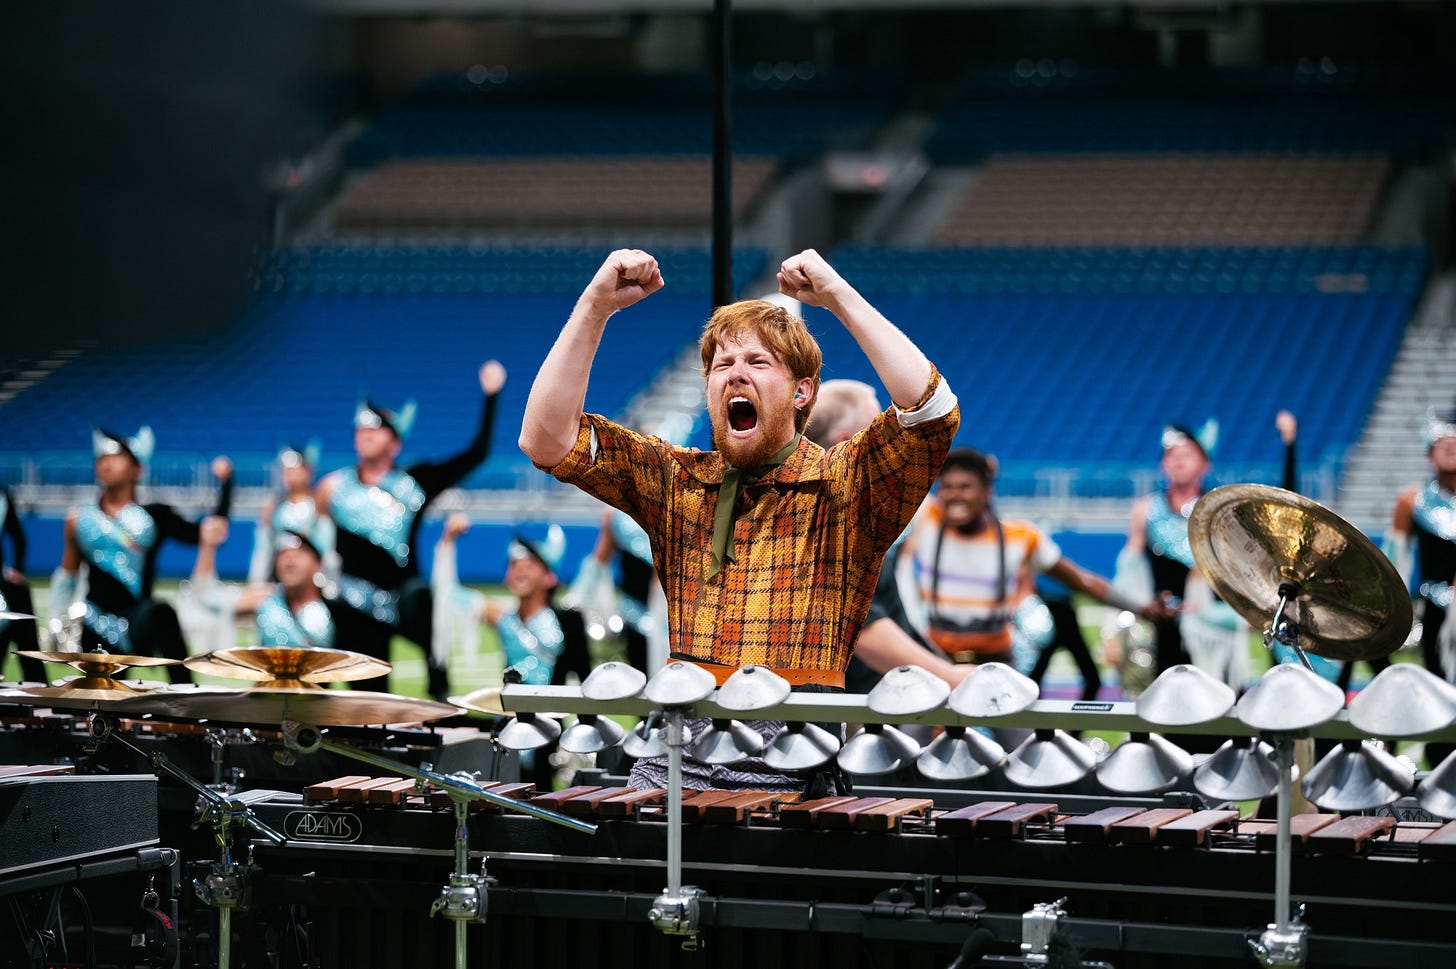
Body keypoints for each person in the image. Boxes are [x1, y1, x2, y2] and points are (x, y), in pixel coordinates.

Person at [519, 248, 959, 795]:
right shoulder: (677, 481)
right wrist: (593, 308)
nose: (735, 375)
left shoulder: (845, 486)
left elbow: (932, 411)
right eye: (722, 365)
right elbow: (546, 440)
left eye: (758, 362)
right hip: (673, 759)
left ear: (802, 391)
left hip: (793, 768)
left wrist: (838, 297)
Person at [315, 361, 506, 699]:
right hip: (354, 602)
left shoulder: (414, 482)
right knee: (369, 697)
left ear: (396, 444)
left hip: (406, 599)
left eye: (377, 429)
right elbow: (312, 542)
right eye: (360, 429)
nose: (365, 433)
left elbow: (476, 454)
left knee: (428, 609)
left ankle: (441, 704)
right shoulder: (332, 487)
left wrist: (491, 396)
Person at [900, 448, 1168, 671]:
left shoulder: (1020, 536)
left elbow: (1081, 580)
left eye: (965, 487)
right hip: (937, 662)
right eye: (947, 487)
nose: (954, 495)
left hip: (996, 664)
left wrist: (1141, 609)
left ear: (987, 492)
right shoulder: (928, 519)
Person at [803, 378, 973, 695]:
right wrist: (949, 677)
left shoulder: (844, 508)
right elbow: (863, 631)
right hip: (863, 707)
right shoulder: (827, 518)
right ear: (847, 442)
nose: (891, 441)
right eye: (878, 431)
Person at [50, 427, 232, 682]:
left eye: (117, 457)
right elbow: (67, 577)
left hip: (139, 621)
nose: (107, 463)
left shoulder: (154, 516)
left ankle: (185, 694)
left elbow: (210, 531)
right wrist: (55, 624)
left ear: (138, 469)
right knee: (103, 696)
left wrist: (227, 484)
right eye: (101, 458)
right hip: (94, 623)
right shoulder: (79, 519)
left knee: (162, 613)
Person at [433, 513, 592, 790]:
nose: (520, 570)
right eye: (514, 564)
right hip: (509, 724)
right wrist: (447, 542)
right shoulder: (504, 619)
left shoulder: (567, 619)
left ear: (549, 577)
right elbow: (448, 594)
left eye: (530, 564)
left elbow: (585, 678)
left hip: (549, 730)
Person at [1117, 420, 1219, 675]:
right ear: (1163, 464)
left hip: (1211, 629)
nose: (1179, 461)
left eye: (1188, 454)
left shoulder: (1218, 512)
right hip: (1163, 623)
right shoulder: (1146, 509)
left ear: (1205, 464)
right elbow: (1130, 569)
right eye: (1172, 455)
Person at [183, 516, 336, 650]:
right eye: (283, 554)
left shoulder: (335, 603)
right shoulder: (267, 598)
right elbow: (208, 598)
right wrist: (207, 547)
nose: (289, 562)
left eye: (298, 555)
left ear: (318, 564)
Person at [1390, 409, 1456, 684]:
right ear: (1429, 454)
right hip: (1434, 610)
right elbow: (1397, 560)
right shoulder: (1413, 501)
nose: (1451, 446)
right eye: (1442, 442)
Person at [247, 441, 333, 585]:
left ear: (308, 472)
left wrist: (326, 582)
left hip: (312, 578)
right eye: (287, 471)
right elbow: (264, 549)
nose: (291, 475)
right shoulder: (276, 509)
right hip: (281, 578)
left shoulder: (318, 507)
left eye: (296, 470)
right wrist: (256, 583)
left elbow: (327, 547)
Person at [0, 484, 44, 683]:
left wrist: (17, 570)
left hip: (4, 587)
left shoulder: (2, 494)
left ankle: (38, 692)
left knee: (29, 650)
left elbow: (18, 536)